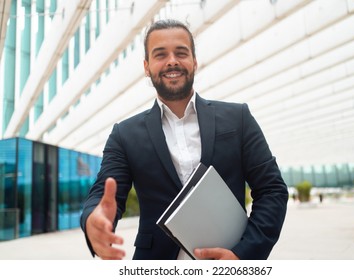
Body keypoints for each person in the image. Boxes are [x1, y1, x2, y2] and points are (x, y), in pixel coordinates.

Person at [80, 19, 288, 260]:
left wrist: (243, 256)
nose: (172, 61)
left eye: (181, 53)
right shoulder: (124, 134)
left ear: (194, 62)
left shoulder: (238, 118)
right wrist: (93, 219)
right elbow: (103, 193)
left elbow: (272, 190)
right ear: (146, 67)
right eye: (160, 54)